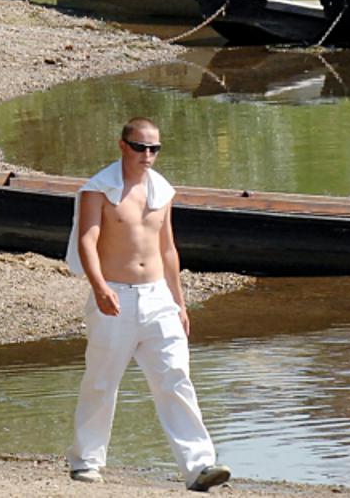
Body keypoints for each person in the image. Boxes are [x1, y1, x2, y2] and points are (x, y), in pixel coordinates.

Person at [65, 117, 230, 492]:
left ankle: (199, 466)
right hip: (115, 295)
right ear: (123, 145)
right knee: (102, 380)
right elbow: (87, 242)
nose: (147, 155)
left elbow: (168, 248)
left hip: (158, 296)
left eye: (154, 148)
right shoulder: (99, 189)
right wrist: (99, 286)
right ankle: (87, 461)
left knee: (175, 377)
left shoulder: (162, 191)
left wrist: (180, 302)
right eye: (140, 147)